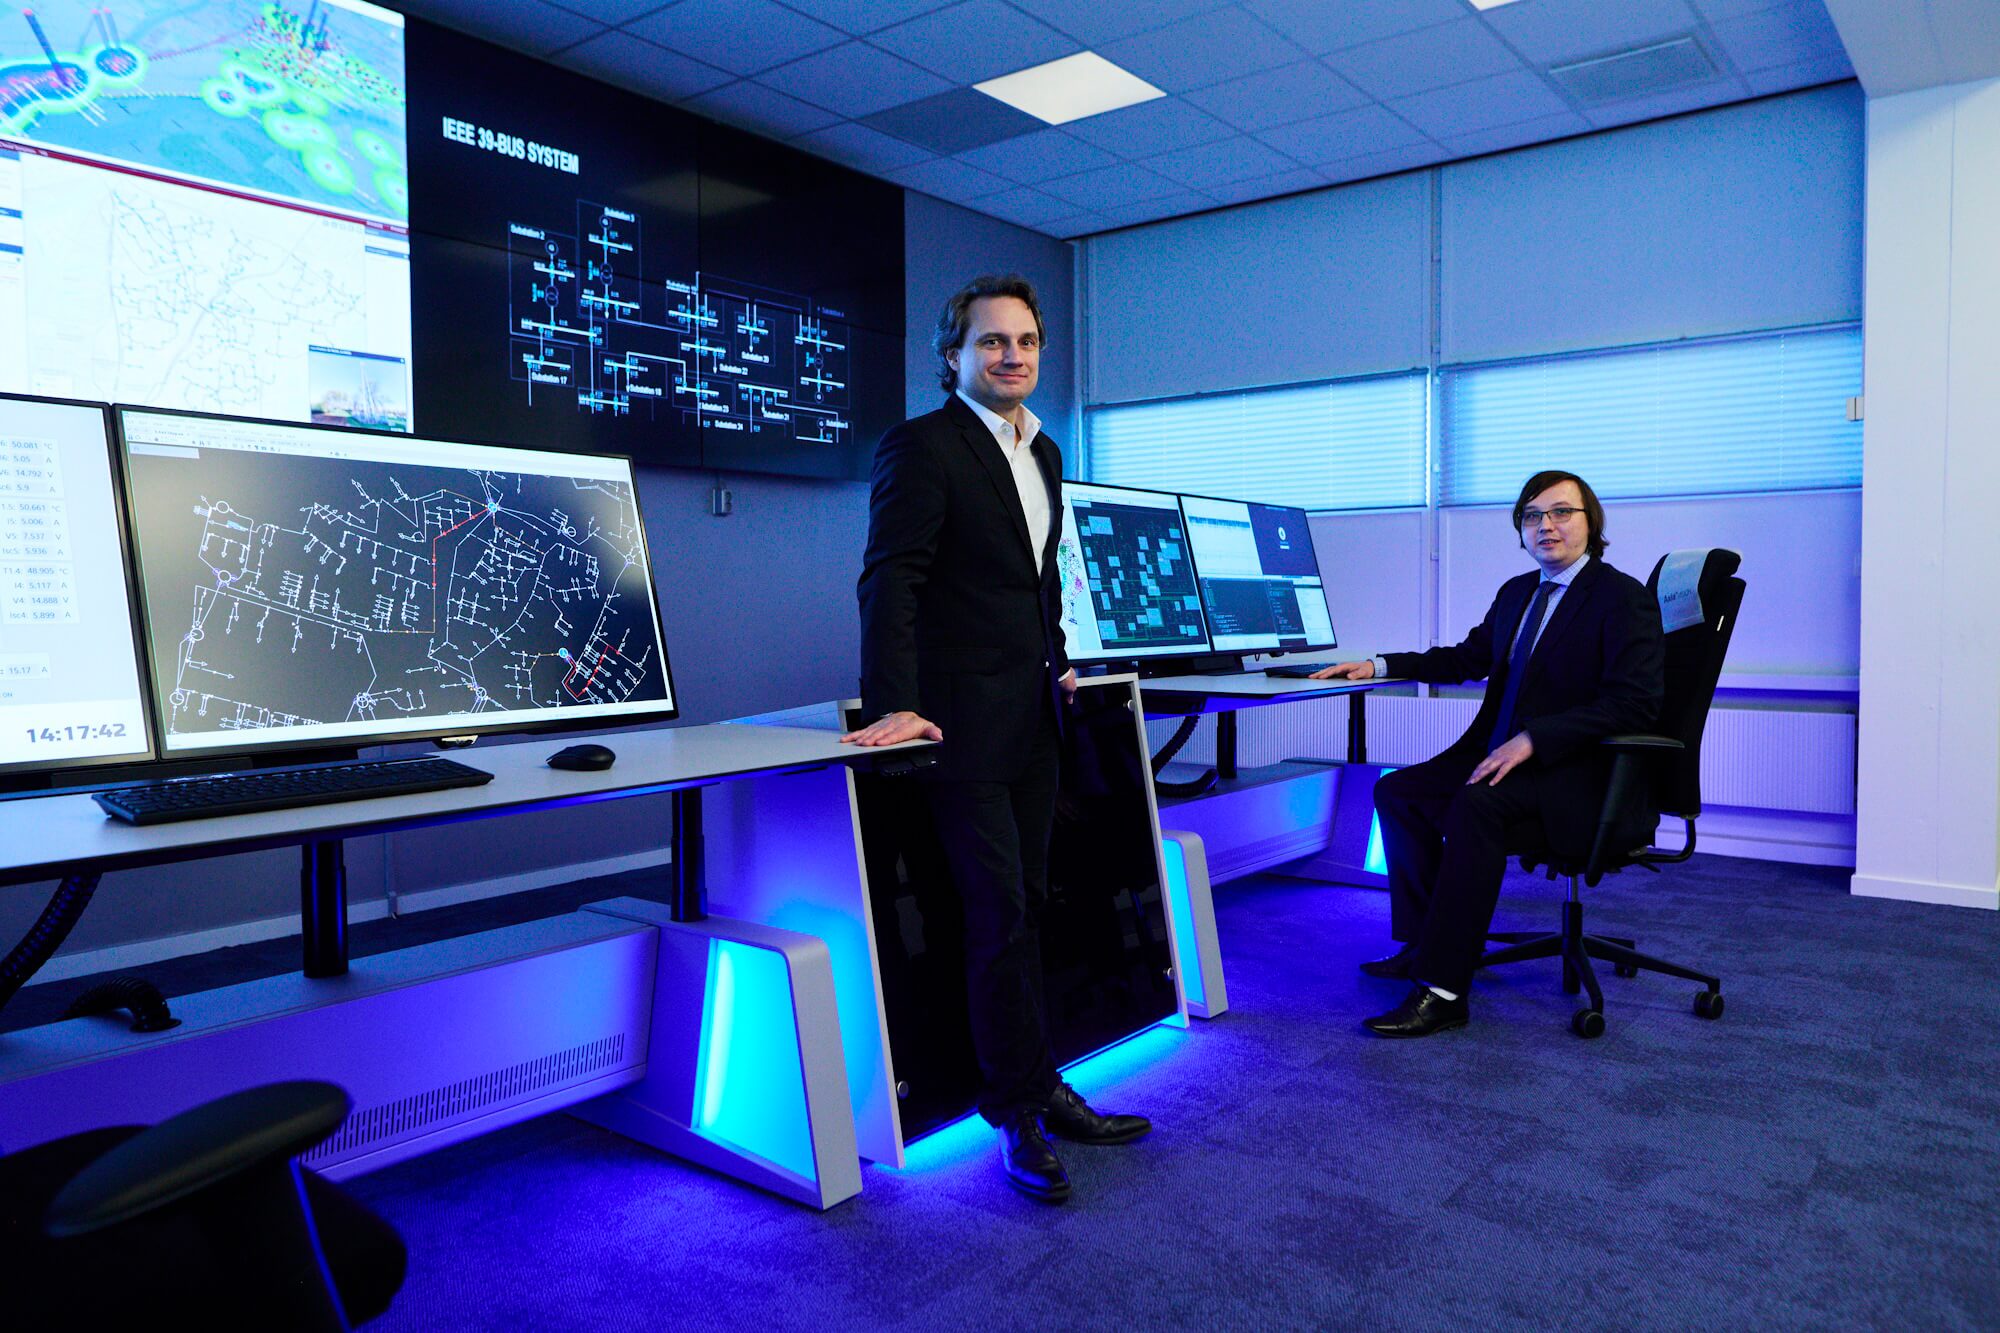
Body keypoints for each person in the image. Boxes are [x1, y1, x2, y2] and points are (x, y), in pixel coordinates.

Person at [842, 274, 1150, 1201]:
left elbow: (1034, 580)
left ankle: (1036, 1078)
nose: (1011, 356)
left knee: (1035, 904)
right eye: (991, 342)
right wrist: (889, 703)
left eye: (1025, 342)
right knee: (996, 912)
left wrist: (1056, 655)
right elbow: (889, 580)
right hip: (955, 727)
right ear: (953, 355)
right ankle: (1013, 1105)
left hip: (1032, 718)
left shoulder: (1043, 451)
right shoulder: (922, 447)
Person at [1311, 470, 1664, 1037]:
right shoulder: (1518, 593)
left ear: (1590, 522)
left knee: (1476, 806)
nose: (1545, 526)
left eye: (1561, 512)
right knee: (1397, 792)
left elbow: (1635, 704)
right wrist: (1379, 665)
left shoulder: (1622, 599)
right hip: (1498, 756)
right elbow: (1465, 657)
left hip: (1574, 770)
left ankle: (1445, 988)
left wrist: (1535, 738)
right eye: (1532, 515)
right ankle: (1428, 944)